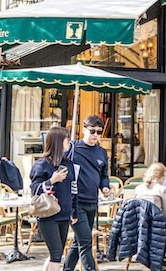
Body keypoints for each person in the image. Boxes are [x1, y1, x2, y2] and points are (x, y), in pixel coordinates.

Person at [64, 115, 110, 271]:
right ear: (84, 130)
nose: (95, 135)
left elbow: (104, 174)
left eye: (99, 132)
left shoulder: (102, 153)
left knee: (79, 242)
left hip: (93, 202)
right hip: (76, 203)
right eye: (92, 131)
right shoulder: (72, 148)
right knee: (85, 241)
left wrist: (105, 187)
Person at [30, 127, 78, 271]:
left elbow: (73, 188)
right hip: (48, 214)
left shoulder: (68, 163)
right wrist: (51, 181)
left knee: (56, 254)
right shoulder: (41, 164)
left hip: (64, 214)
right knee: (56, 254)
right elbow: (35, 190)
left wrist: (73, 211)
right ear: (58, 142)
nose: (69, 142)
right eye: (66, 139)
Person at [135, 163, 166, 230]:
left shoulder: (138, 188)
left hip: (140, 224)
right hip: (157, 225)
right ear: (161, 177)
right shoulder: (162, 189)